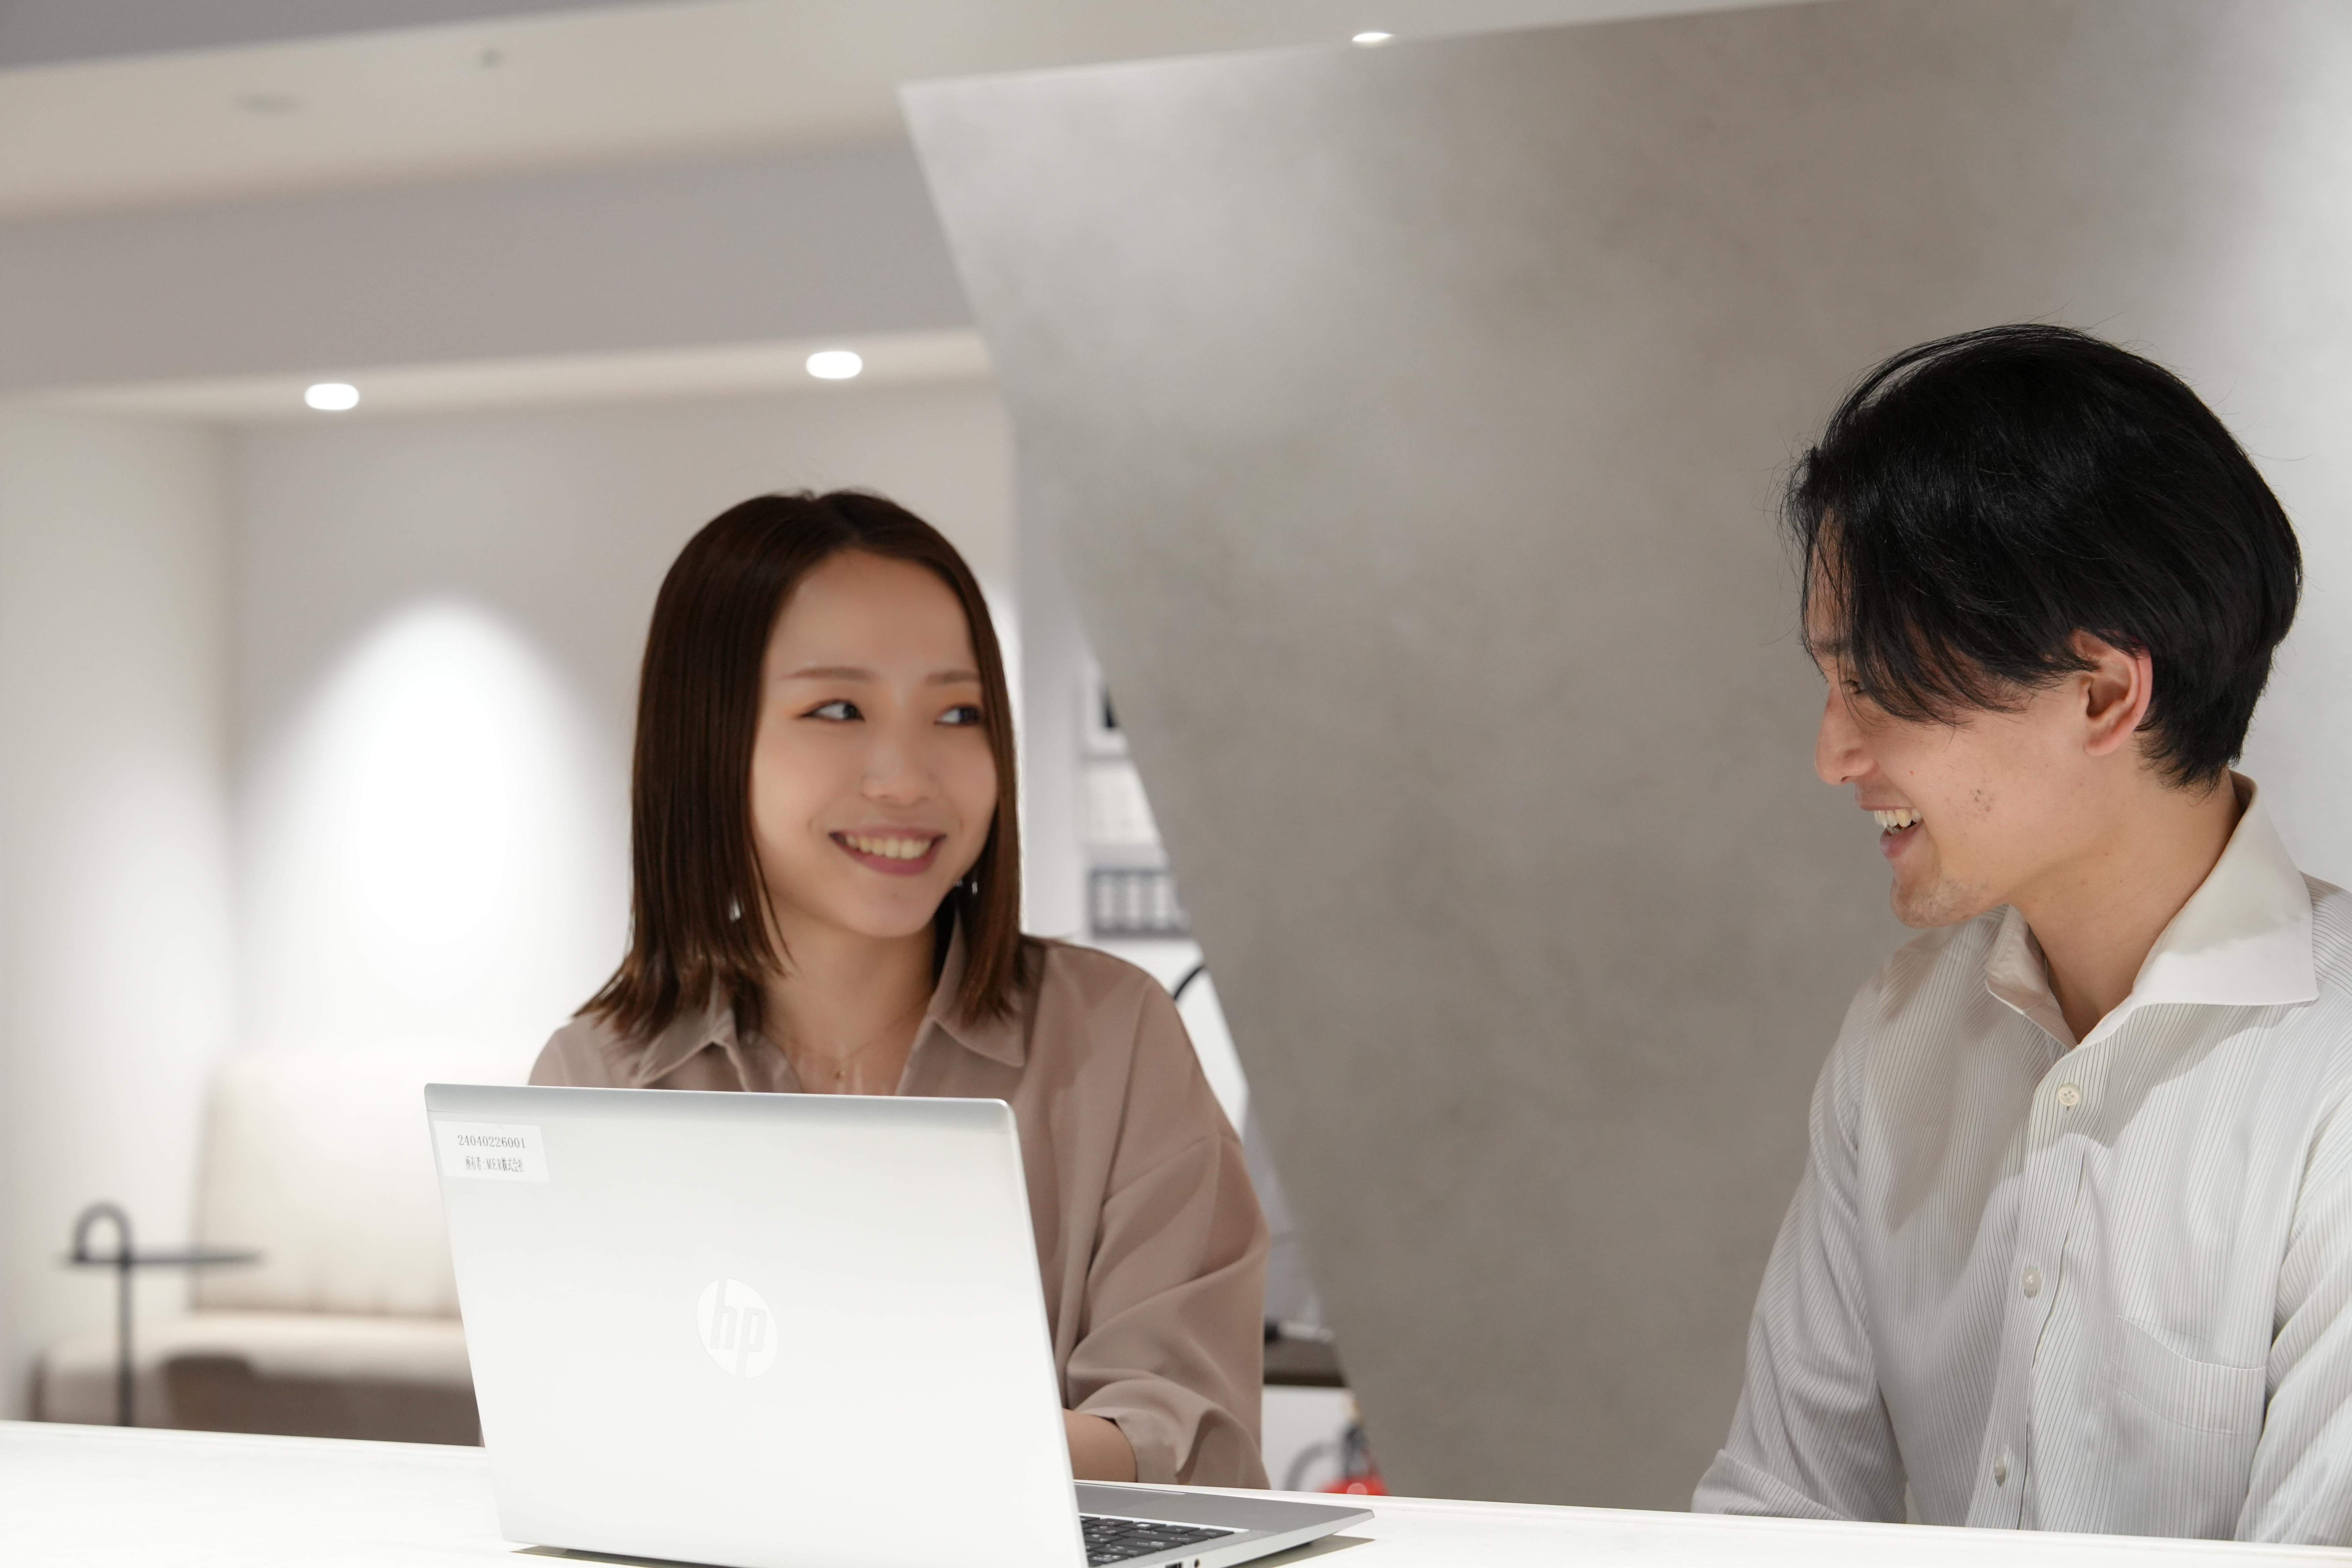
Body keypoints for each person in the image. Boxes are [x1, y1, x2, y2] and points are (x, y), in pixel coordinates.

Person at [1692, 325, 2352, 1540]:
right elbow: (1779, 1514)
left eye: (1875, 683)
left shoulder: (2333, 1085)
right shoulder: (1901, 1034)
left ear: (2103, 694)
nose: (1833, 754)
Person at [532, 490, 1269, 1487]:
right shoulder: (597, 1078)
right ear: (707, 744)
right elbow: (580, 1451)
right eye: (838, 710)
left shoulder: (1115, 1036)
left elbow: (1188, 1441)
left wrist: (839, 1438)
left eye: (958, 714)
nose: (907, 778)